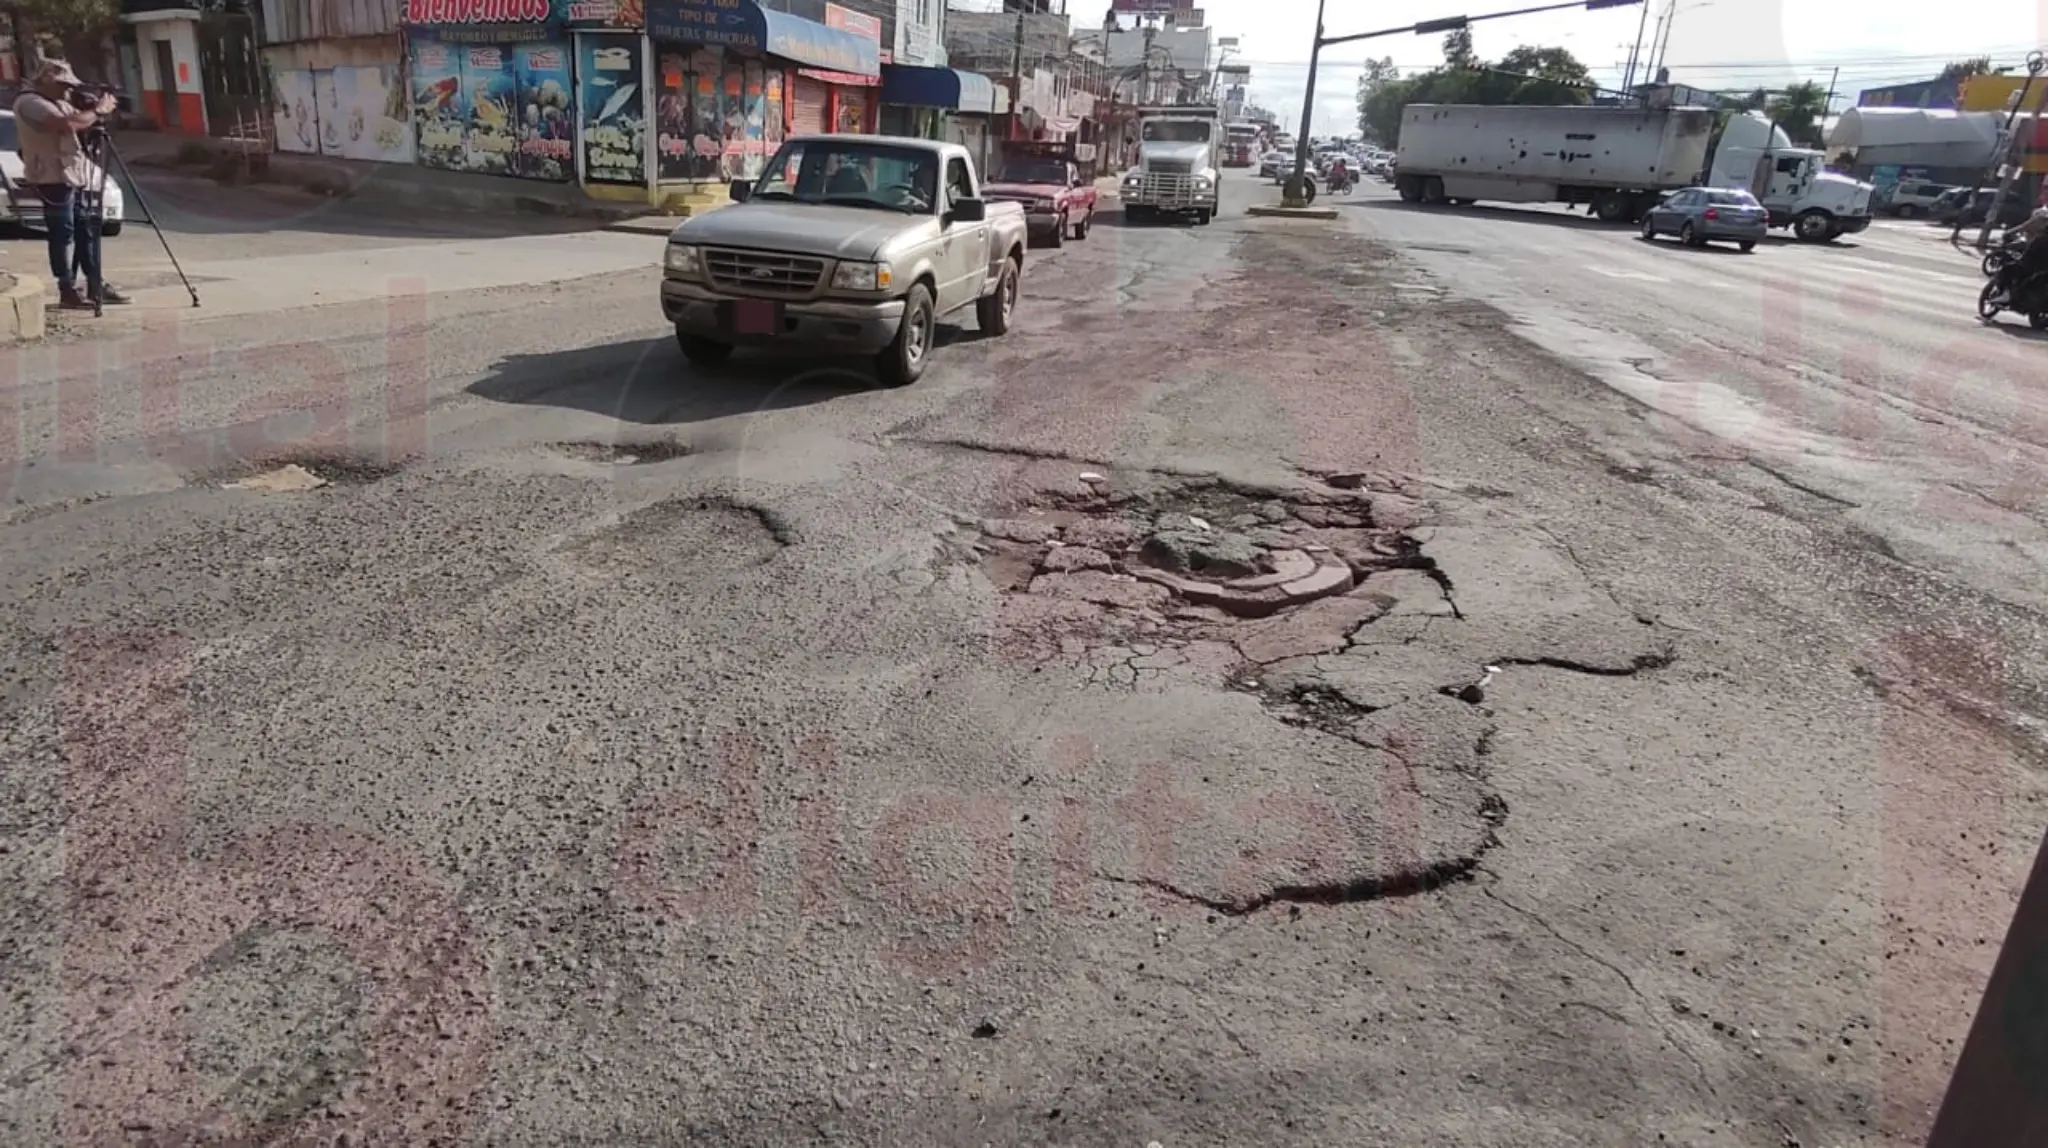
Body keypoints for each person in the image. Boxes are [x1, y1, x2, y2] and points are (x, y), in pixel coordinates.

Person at [13, 60, 128, 310]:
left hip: (72, 174)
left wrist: (92, 112)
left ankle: (95, 284)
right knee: (62, 233)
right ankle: (66, 289)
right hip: (51, 177)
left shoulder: (58, 101)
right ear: (46, 81)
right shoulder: (31, 102)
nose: (68, 90)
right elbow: (67, 124)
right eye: (63, 85)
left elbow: (79, 122)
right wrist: (97, 111)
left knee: (86, 228)